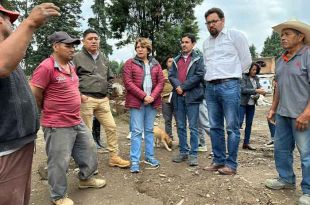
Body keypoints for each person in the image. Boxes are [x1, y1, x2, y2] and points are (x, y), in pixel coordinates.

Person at [30, 31, 106, 205]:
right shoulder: (46, 67)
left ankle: (85, 179)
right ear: (55, 46)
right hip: (57, 124)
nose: (72, 49)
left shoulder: (70, 66)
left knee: (89, 148)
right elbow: (35, 93)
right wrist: (47, 110)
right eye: (68, 45)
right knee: (59, 161)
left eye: (73, 45)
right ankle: (58, 196)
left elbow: (71, 87)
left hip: (75, 120)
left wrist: (79, 96)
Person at [0, 3, 60, 205]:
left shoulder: (11, 52)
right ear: (0, 19)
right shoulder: (4, 57)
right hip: (6, 149)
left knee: (18, 198)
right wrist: (30, 22)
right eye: (10, 19)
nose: (13, 24)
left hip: (18, 144)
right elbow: (1, 65)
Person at [264, 19, 310, 205]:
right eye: (282, 34)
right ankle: (286, 179)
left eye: (288, 34)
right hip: (283, 114)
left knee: (306, 153)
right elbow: (278, 87)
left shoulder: (307, 55)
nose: (283, 37)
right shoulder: (281, 59)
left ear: (300, 37)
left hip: (303, 115)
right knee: (281, 149)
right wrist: (273, 108)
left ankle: (308, 190)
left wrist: (307, 113)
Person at [203, 8, 251, 175]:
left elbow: (246, 61)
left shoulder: (234, 35)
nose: (211, 25)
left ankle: (231, 165)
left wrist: (233, 76)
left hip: (230, 85)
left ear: (222, 20)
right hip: (210, 88)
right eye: (208, 22)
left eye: (214, 21)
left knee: (232, 127)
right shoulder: (206, 43)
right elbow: (206, 65)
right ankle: (218, 160)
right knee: (215, 126)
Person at [73, 29, 130, 168]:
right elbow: (70, 78)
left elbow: (110, 77)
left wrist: (109, 92)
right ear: (83, 41)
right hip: (86, 100)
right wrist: (80, 95)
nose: (94, 41)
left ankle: (114, 157)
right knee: (85, 133)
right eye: (90, 38)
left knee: (111, 127)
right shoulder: (76, 57)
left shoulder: (103, 57)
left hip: (103, 100)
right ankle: (87, 163)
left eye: (96, 38)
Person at [123, 37, 164, 173]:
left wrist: (152, 96)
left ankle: (149, 157)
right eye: (137, 47)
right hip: (137, 102)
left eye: (142, 47)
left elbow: (160, 82)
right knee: (136, 131)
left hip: (151, 103)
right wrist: (144, 96)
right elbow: (128, 83)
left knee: (149, 131)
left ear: (148, 49)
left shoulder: (156, 64)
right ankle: (135, 160)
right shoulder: (130, 63)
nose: (139, 49)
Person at [169, 33, 205, 166]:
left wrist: (183, 87)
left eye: (187, 42)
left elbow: (199, 75)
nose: (184, 44)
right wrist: (178, 87)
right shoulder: (176, 60)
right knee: (181, 126)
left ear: (193, 44)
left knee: (193, 127)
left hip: (192, 97)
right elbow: (171, 75)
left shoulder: (198, 58)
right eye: (182, 42)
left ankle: (193, 154)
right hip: (178, 97)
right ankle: (183, 152)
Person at [239, 62, 266, 150]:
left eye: (256, 70)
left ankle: (246, 143)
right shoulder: (243, 77)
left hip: (251, 104)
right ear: (248, 69)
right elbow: (243, 90)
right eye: (253, 69)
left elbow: (258, 90)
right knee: (238, 123)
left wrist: (259, 93)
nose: (254, 71)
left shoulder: (256, 78)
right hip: (242, 103)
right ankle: (234, 143)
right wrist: (256, 91)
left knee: (249, 124)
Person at [161, 55, 176, 140]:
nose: (172, 63)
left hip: (177, 99)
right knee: (167, 120)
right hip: (165, 99)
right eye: (170, 61)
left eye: (173, 61)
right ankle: (168, 138)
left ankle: (182, 141)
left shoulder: (178, 72)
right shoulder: (162, 73)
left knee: (179, 120)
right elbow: (159, 84)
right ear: (166, 63)